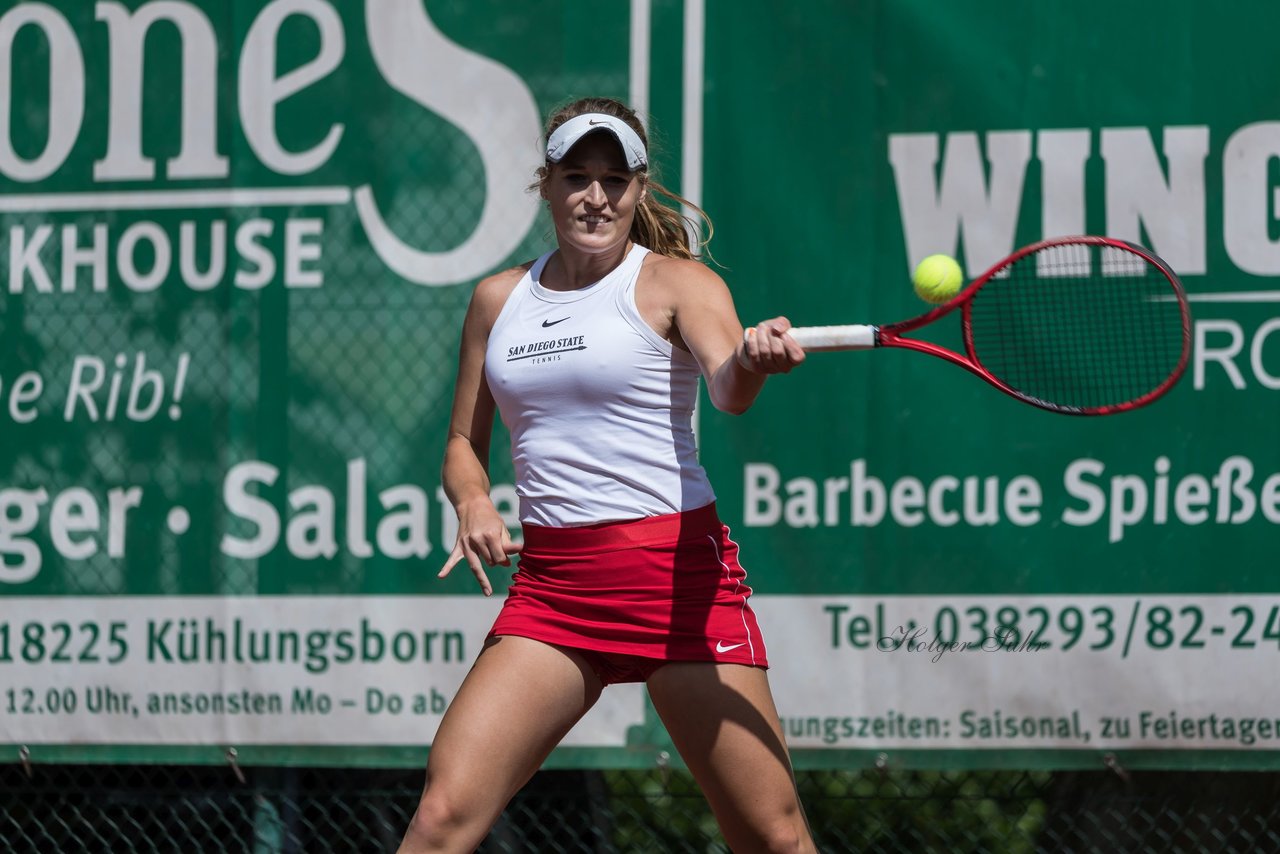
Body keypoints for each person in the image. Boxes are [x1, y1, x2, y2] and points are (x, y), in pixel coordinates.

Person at [398, 96, 814, 854]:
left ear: (639, 187)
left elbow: (726, 390)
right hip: (555, 592)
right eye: (578, 176)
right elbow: (463, 440)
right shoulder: (498, 300)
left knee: (771, 836)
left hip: (677, 583)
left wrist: (753, 363)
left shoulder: (679, 284)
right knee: (441, 818)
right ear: (547, 184)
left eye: (614, 178)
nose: (596, 196)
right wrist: (474, 501)